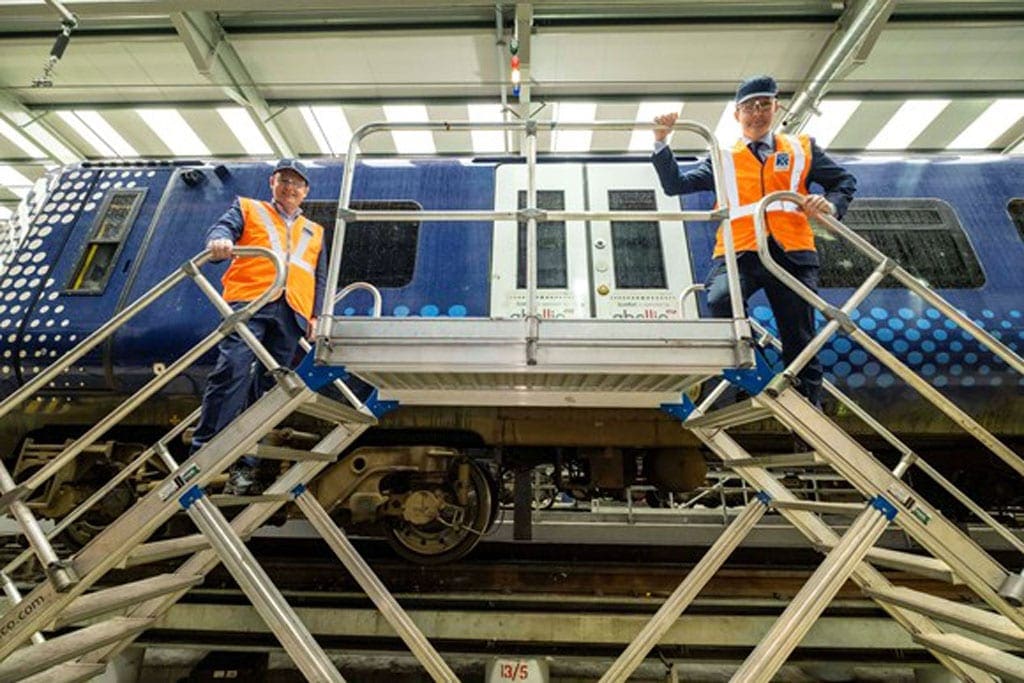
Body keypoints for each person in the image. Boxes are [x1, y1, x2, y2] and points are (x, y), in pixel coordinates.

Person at [652, 75, 856, 408]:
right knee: (719, 300)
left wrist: (830, 205)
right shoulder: (723, 158)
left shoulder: (802, 148)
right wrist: (661, 143)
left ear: (776, 107)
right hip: (740, 251)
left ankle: (809, 401)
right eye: (749, 107)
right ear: (737, 114)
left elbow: (844, 181)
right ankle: (757, 372)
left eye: (764, 104)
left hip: (792, 251)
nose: (756, 113)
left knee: (798, 333)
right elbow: (676, 185)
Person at [191, 159, 327, 494]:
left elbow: (317, 276)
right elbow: (221, 229)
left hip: (292, 311)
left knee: (268, 390)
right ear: (273, 183)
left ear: (305, 191)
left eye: (297, 184)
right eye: (284, 181)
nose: (290, 188)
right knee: (232, 370)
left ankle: (244, 466)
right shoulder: (248, 208)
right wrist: (219, 242)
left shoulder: (315, 230)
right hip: (252, 302)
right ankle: (202, 454)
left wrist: (316, 315)